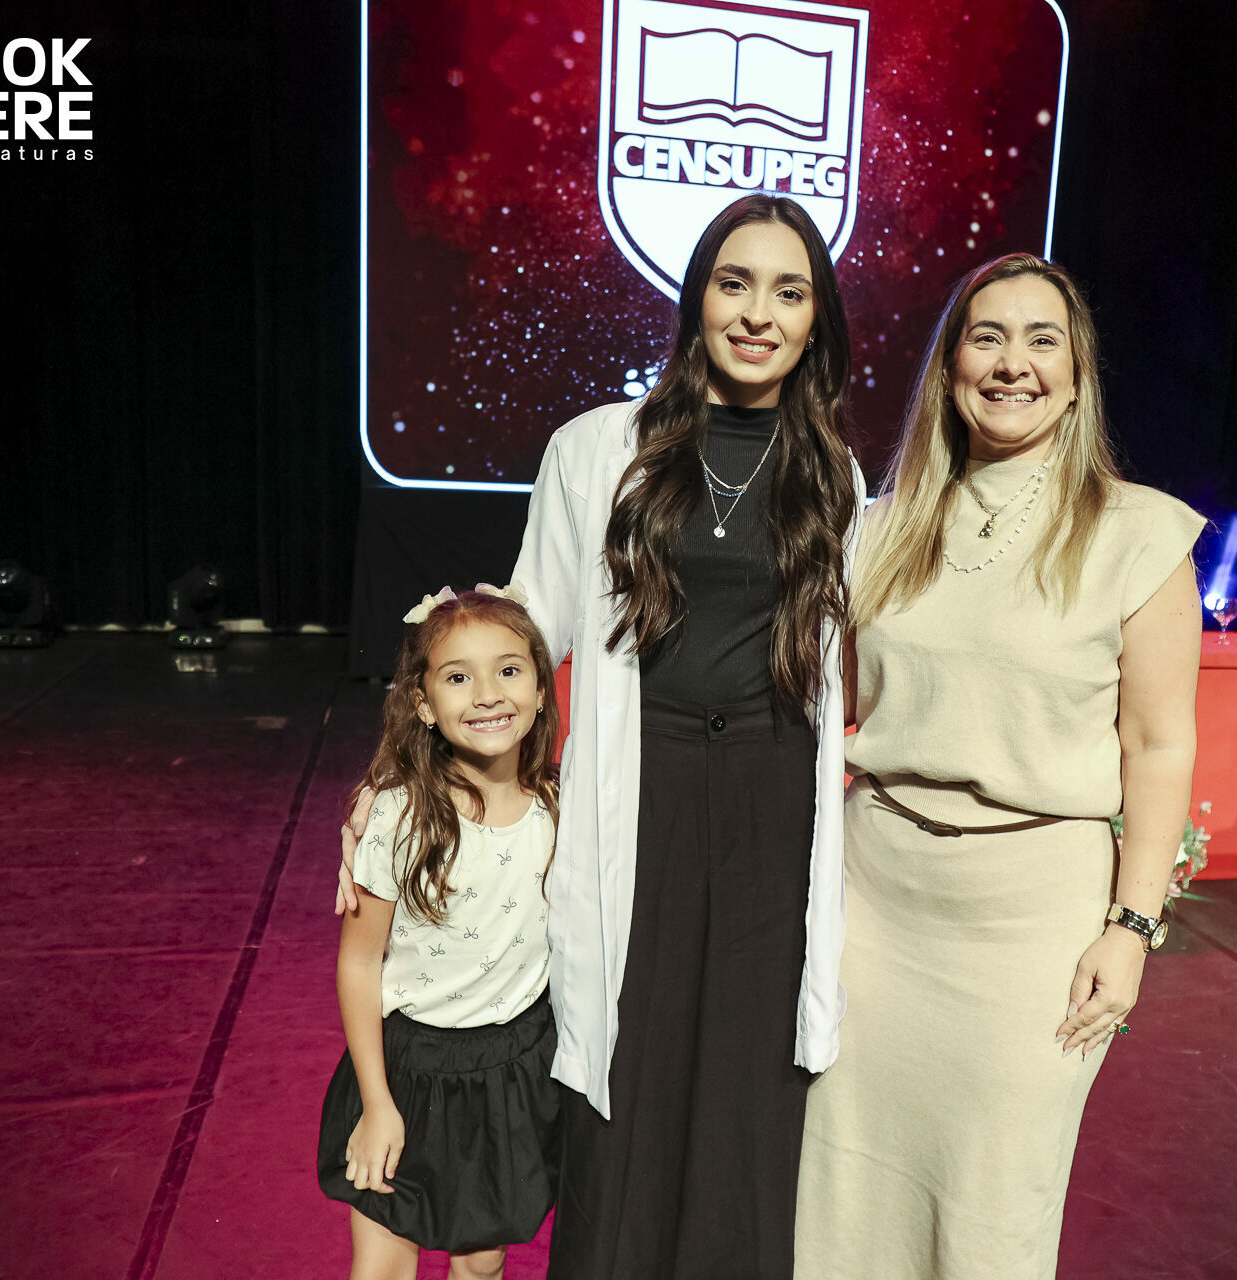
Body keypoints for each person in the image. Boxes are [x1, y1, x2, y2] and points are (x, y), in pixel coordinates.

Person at [340, 195, 866, 1279]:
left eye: (789, 291)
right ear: (697, 297)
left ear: (817, 318)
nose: (758, 313)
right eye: (734, 282)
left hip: (774, 801)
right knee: (631, 1058)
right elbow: (518, 634)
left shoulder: (834, 474)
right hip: (642, 789)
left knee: (750, 1072)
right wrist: (398, 771)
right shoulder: (596, 447)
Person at [794, 254, 1206, 1279]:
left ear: (1076, 375)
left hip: (1031, 927)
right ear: (949, 369)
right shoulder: (879, 529)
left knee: (992, 1204)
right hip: (873, 908)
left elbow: (1159, 745)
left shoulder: (1139, 534)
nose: (1012, 363)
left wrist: (1132, 928)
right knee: (842, 1186)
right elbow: (821, 707)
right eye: (987, 337)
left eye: (1041, 340)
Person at [319, 585, 563, 1280]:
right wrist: (377, 1104)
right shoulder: (397, 818)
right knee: (383, 1266)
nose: (487, 694)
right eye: (458, 677)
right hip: (409, 1069)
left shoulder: (562, 807)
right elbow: (359, 964)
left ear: (541, 688)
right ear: (423, 704)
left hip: (510, 1071)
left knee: (482, 1262)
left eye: (508, 670)